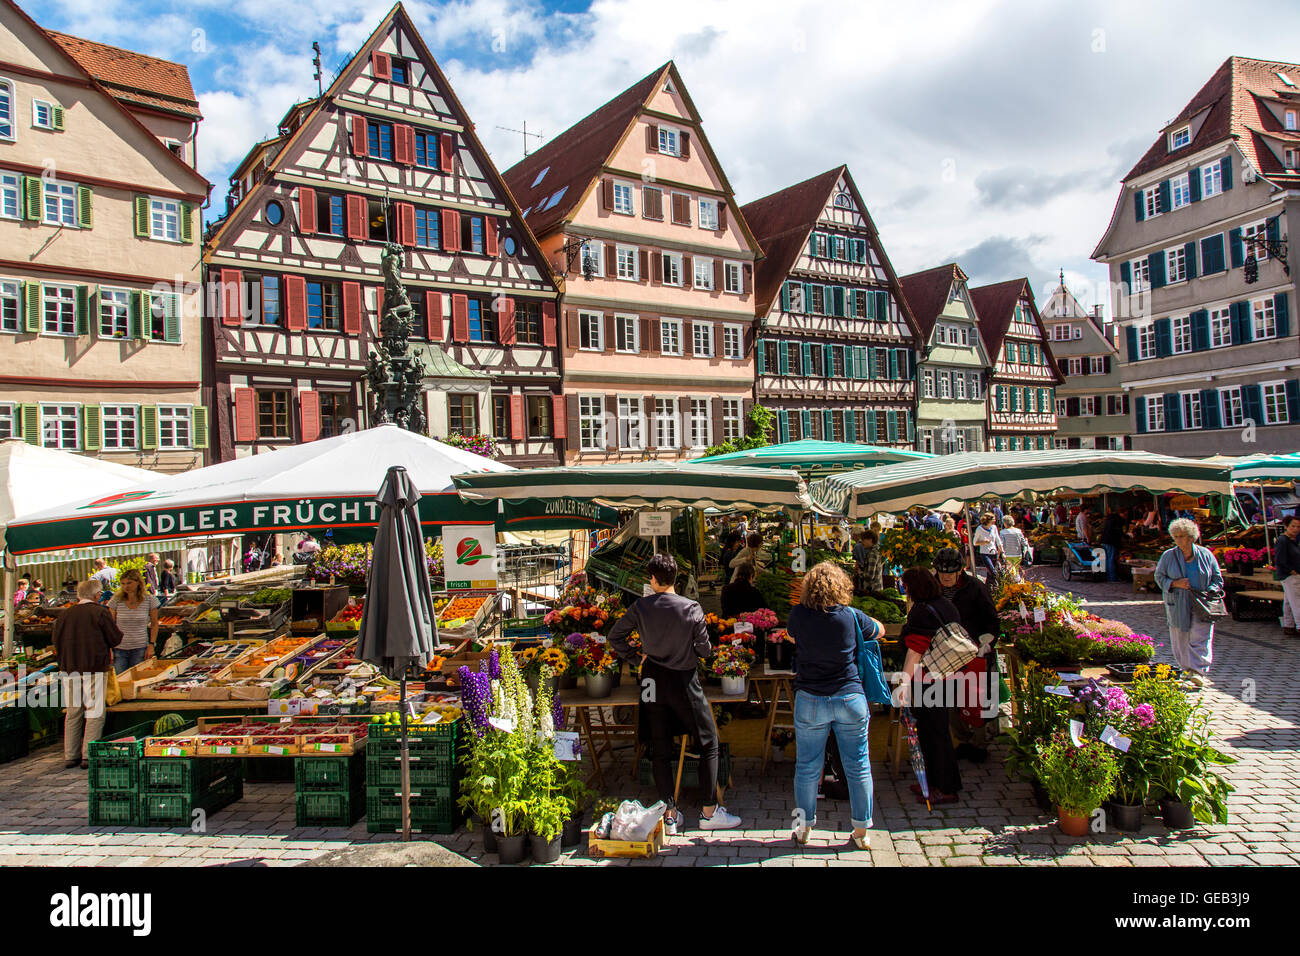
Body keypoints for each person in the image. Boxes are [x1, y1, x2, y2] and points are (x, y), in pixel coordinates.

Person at [608, 553, 742, 834]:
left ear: (653, 579)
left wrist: (636, 658)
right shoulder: (691, 607)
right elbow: (705, 650)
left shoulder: (640, 607)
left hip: (651, 681)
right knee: (708, 741)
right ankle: (708, 811)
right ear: (676, 578)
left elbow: (615, 636)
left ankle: (669, 812)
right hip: (684, 679)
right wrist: (690, 651)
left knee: (659, 747)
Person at [786, 561, 880, 848]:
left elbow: (790, 636)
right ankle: (862, 831)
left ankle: (803, 829)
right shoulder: (851, 616)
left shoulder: (799, 615)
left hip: (811, 698)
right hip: (850, 698)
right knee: (859, 765)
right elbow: (880, 630)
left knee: (806, 767)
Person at [896, 567, 963, 803]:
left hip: (929, 680)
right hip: (948, 674)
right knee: (935, 730)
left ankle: (945, 787)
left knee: (935, 732)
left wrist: (903, 683)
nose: (904, 590)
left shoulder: (922, 612)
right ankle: (935, 781)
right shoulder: (946, 604)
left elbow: (915, 650)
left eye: (905, 586)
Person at [932, 548, 1000, 763]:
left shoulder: (976, 587)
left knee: (979, 699)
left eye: (950, 573)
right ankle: (963, 740)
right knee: (951, 701)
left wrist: (987, 641)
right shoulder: (932, 588)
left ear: (960, 571)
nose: (946, 577)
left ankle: (980, 744)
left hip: (976, 651)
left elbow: (991, 619)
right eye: (942, 573)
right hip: (946, 654)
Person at [52, 579, 124, 769]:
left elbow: (56, 641)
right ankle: (88, 755)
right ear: (97, 595)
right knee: (94, 711)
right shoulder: (100, 612)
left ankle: (71, 755)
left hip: (69, 668)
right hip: (93, 666)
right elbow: (115, 638)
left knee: (73, 711)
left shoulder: (65, 614)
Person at [1153, 518, 1223, 686]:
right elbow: (1159, 577)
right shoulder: (1168, 556)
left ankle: (1198, 671)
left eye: (1182, 536)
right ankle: (1186, 669)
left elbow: (1217, 578)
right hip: (1177, 603)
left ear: (1192, 537)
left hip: (1202, 603)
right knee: (1180, 638)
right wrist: (1175, 583)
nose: (1178, 540)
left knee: (1201, 636)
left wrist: (1211, 590)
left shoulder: (1206, 555)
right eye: (1175, 536)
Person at [107, 569, 159, 673]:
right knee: (120, 681)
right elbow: (109, 626)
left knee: (138, 679)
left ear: (138, 583)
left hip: (140, 648)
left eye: (129, 583)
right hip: (119, 649)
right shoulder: (115, 600)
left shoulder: (150, 600)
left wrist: (151, 645)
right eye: (123, 583)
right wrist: (108, 648)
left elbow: (155, 624)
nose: (126, 586)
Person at [1274, 515, 1300, 637]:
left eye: (1298, 527)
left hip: (1291, 574)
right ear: (1286, 526)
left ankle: (1288, 625)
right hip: (1289, 575)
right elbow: (1280, 560)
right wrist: (1291, 571)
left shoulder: (1293, 540)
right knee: (1297, 601)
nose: (1295, 529)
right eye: (1293, 526)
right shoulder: (1283, 540)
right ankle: (1299, 626)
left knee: (1289, 601)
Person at [972, 513, 1002, 580]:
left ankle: (989, 588)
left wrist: (1001, 550)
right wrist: (984, 542)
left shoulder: (994, 527)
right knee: (993, 571)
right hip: (985, 553)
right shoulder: (979, 529)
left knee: (990, 574)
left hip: (994, 552)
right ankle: (998, 585)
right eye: (993, 519)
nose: (995, 520)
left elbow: (998, 539)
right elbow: (974, 542)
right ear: (988, 520)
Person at [998, 515, 1029, 581]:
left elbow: (1001, 544)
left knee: (1009, 571)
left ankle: (1010, 585)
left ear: (1005, 523)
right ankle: (1017, 583)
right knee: (1016, 570)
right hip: (1018, 554)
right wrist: (1026, 541)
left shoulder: (1002, 532)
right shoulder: (1018, 531)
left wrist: (1000, 553)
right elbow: (1024, 543)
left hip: (1007, 554)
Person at [854, 529, 884, 594]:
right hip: (876, 588)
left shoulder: (872, 554)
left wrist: (860, 572)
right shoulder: (875, 550)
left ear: (870, 540)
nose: (862, 543)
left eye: (863, 540)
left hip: (872, 589)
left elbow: (870, 576)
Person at [1099, 509, 1125, 583]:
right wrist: (1127, 536)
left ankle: (1108, 576)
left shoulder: (1110, 519)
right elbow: (1118, 531)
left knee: (1107, 559)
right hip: (1110, 541)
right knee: (1111, 559)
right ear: (1121, 513)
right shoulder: (1117, 520)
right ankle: (1112, 578)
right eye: (1125, 514)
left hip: (1104, 540)